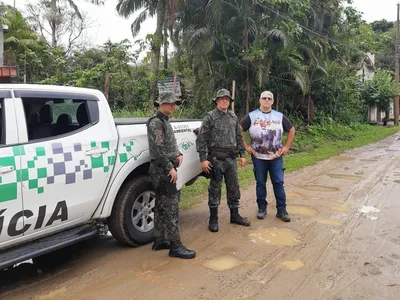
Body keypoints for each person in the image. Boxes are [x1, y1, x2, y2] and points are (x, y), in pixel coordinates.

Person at [147, 92, 196, 259]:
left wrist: (179, 154)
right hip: (163, 170)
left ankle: (160, 239)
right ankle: (175, 245)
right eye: (170, 103)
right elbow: (157, 150)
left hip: (164, 168)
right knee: (171, 206)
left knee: (161, 205)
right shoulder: (156, 123)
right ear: (160, 104)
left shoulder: (164, 122)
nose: (173, 106)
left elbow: (169, 145)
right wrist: (170, 167)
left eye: (175, 103)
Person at [196, 88, 251, 232]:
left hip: (231, 160)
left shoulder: (233, 117)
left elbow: (239, 137)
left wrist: (242, 155)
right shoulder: (210, 117)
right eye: (222, 99)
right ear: (217, 101)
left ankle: (235, 215)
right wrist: (203, 159)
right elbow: (202, 139)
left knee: (233, 188)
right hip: (216, 159)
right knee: (215, 189)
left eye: (227, 99)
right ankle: (213, 219)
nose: (225, 101)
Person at [241, 91, 295, 222]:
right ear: (260, 100)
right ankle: (261, 208)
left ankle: (282, 210)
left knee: (278, 182)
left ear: (272, 101)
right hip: (258, 157)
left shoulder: (279, 116)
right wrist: (246, 146)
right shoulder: (252, 116)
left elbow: (291, 130)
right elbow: (239, 129)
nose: (266, 100)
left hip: (276, 157)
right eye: (264, 98)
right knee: (260, 183)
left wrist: (286, 147)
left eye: (269, 98)